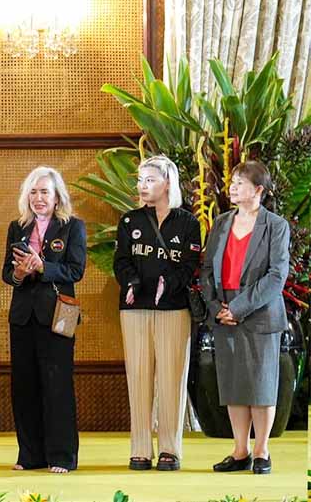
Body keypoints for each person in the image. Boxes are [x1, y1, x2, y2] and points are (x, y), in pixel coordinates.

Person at [200, 161, 290, 475]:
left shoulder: (276, 225)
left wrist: (238, 308)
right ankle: (240, 451)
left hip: (259, 312)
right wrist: (216, 307)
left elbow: (276, 276)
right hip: (224, 310)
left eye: (240, 182)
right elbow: (207, 269)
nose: (233, 187)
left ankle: (262, 450)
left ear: (259, 190)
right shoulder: (221, 222)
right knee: (234, 385)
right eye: (232, 182)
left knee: (260, 385)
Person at [114, 155, 201, 472]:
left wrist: (169, 283)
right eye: (140, 180)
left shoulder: (188, 223)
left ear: (167, 184)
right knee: (138, 377)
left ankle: (169, 449)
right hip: (134, 308)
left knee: (171, 378)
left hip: (173, 309)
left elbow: (190, 265)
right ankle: (140, 448)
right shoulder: (129, 221)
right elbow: (121, 261)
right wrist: (132, 282)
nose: (142, 186)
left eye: (149, 180)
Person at [2, 167, 86, 474]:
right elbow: (7, 274)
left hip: (58, 315)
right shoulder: (17, 227)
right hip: (23, 317)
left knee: (57, 385)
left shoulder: (72, 226)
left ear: (57, 197)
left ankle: (62, 456)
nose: (39, 198)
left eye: (45, 192)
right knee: (24, 386)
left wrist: (42, 267)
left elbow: (76, 270)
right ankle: (31, 454)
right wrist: (19, 273)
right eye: (34, 192)